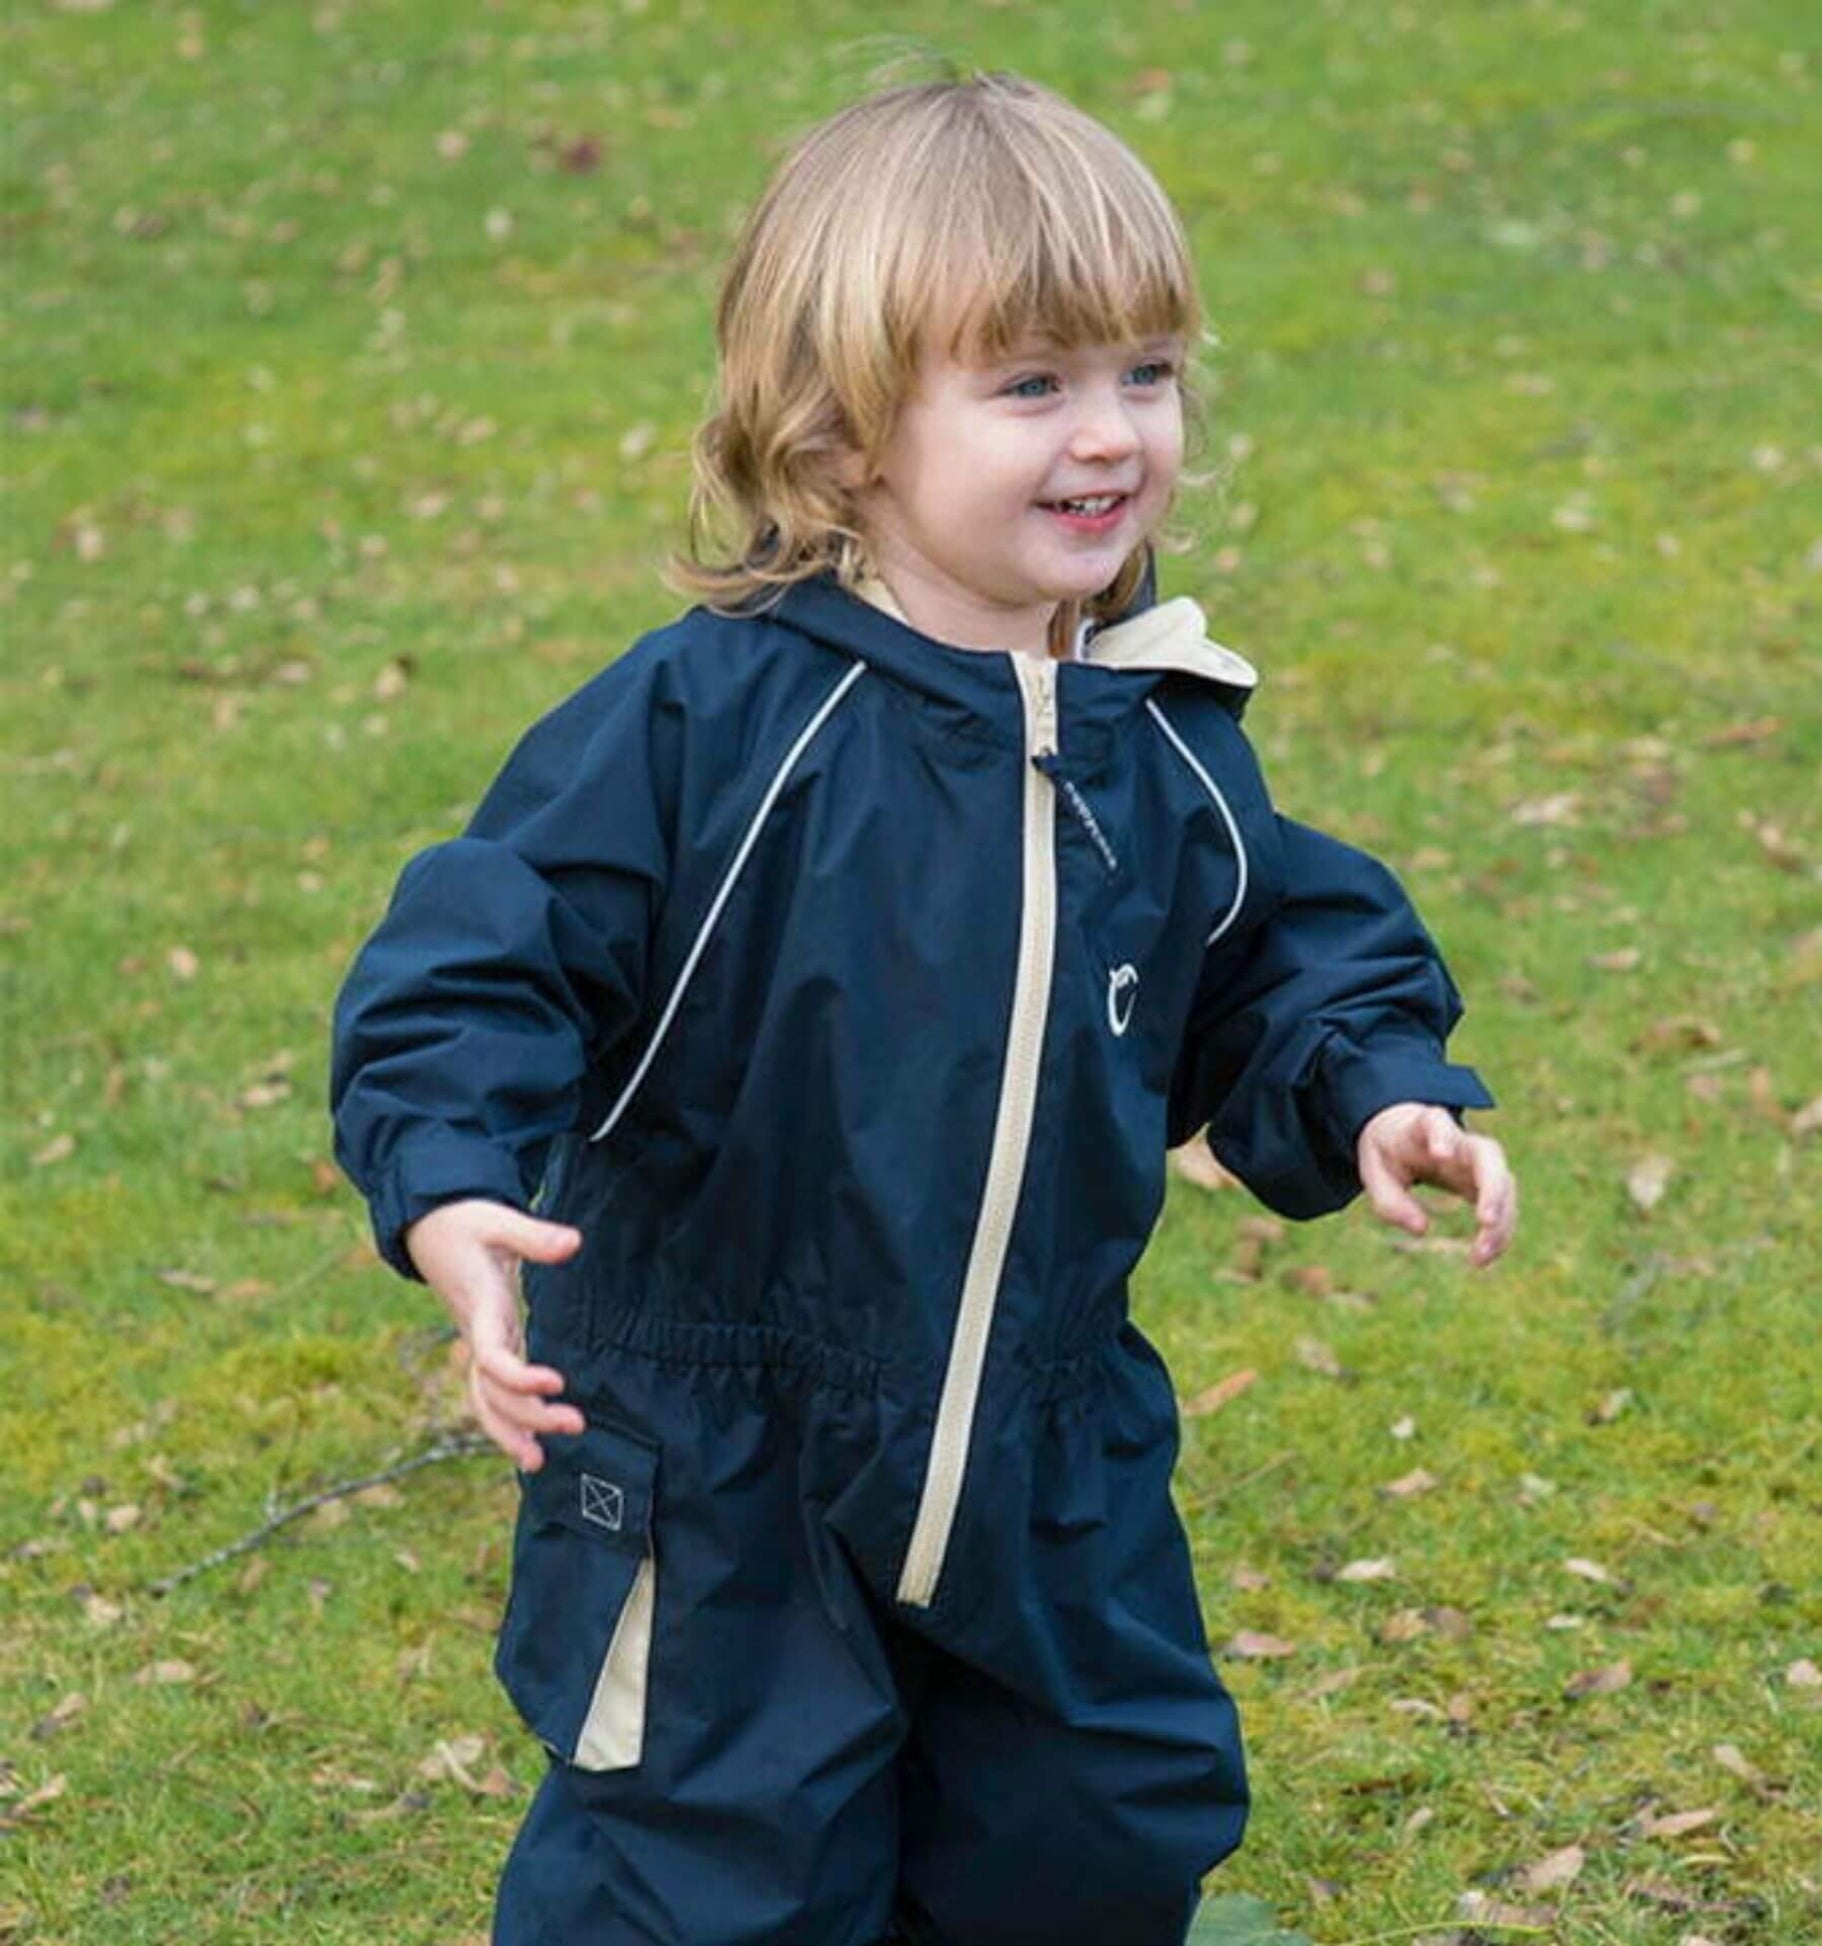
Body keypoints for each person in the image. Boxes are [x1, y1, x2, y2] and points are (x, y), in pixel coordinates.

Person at [330, 70, 1516, 1946]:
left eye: (1144, 371)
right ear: (844, 427)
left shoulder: (1157, 739)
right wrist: (451, 1182)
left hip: (1053, 1450)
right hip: (724, 1462)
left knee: (1099, 1823)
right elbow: (483, 953)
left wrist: (1375, 1087)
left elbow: (1283, 950)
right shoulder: (708, 726)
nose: (1109, 432)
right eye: (1030, 384)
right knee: (712, 1876)